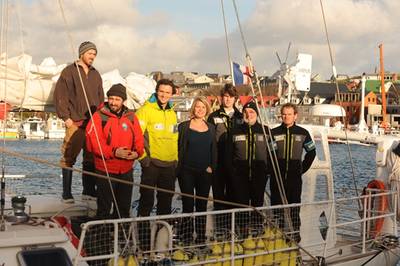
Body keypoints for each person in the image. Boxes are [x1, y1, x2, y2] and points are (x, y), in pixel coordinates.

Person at [54, 41, 104, 203]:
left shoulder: (96, 74)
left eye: (94, 54)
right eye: (90, 53)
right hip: (74, 123)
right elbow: (60, 96)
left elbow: (100, 98)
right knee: (69, 157)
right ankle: (66, 193)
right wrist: (66, 119)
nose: (93, 57)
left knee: (90, 159)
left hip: (92, 125)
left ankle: (88, 191)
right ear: (81, 53)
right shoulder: (69, 72)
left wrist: (100, 121)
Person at [85, 84, 144, 219]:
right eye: (111, 98)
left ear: (123, 101)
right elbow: (93, 142)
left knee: (123, 208)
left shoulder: (131, 117)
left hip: (126, 170)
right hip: (106, 169)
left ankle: (119, 237)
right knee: (104, 208)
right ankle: (102, 236)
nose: (113, 102)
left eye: (117, 99)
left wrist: (137, 152)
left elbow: (139, 138)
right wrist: (114, 152)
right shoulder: (99, 116)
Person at [135, 79, 178, 251]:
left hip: (169, 166)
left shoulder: (172, 113)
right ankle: (144, 244)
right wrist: (144, 159)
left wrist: (176, 160)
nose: (164, 95)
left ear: (171, 94)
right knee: (146, 203)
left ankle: (160, 244)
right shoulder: (145, 110)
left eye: (168, 92)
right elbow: (136, 137)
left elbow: (175, 139)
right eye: (162, 91)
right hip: (151, 165)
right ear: (156, 91)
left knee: (165, 205)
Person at [270, 103, 316, 242]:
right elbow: (269, 154)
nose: (286, 116)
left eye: (289, 114)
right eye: (284, 114)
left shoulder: (303, 133)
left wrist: (302, 169)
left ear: (295, 116)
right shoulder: (274, 133)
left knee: (294, 206)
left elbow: (311, 152)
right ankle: (279, 234)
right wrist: (272, 170)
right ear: (281, 115)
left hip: (294, 177)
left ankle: (295, 233)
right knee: (277, 206)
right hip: (277, 177)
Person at [226, 101, 274, 236]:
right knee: (241, 205)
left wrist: (267, 171)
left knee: (257, 203)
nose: (249, 114)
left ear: (257, 114)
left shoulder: (266, 131)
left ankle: (257, 232)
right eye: (246, 112)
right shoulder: (234, 131)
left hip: (259, 175)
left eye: (252, 112)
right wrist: (232, 174)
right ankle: (243, 234)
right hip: (240, 176)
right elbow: (228, 156)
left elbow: (273, 153)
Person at [177, 96, 217, 244]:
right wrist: (178, 169)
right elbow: (178, 148)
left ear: (207, 109)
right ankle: (187, 237)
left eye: (203, 107)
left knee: (201, 206)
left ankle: (200, 237)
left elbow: (214, 150)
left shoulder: (211, 128)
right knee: (187, 204)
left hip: (204, 173)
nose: (200, 109)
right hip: (186, 171)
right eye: (198, 106)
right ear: (193, 108)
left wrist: (212, 167)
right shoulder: (184, 126)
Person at [207, 84, 243, 229]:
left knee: (234, 196)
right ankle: (221, 230)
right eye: (225, 97)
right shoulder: (213, 116)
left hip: (235, 165)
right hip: (218, 163)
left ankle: (233, 229)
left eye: (230, 97)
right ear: (222, 98)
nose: (227, 100)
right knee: (219, 197)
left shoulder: (241, 117)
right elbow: (208, 140)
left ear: (235, 99)